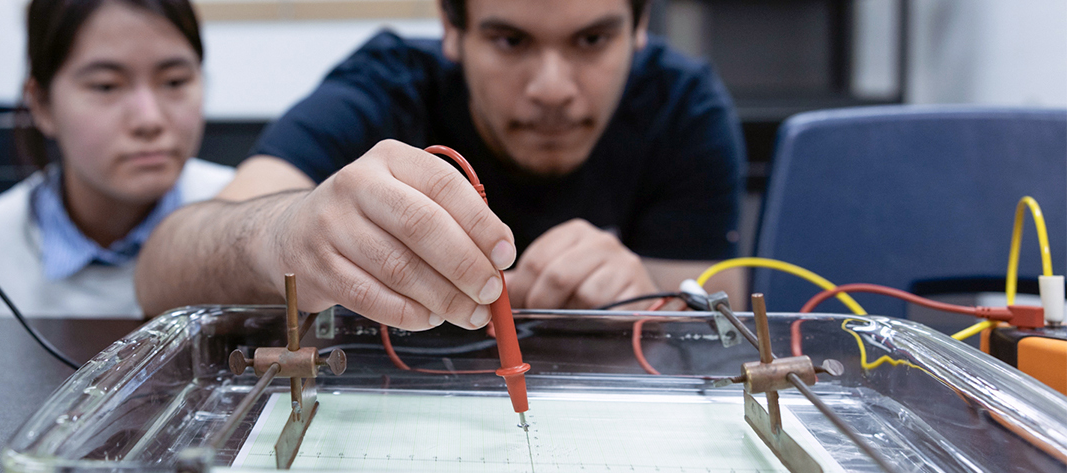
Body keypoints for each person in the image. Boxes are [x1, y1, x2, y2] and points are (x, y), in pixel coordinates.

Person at [136, 0, 744, 329]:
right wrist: (281, 235)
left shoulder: (681, 107)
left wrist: (650, 304)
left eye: (591, 40)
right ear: (452, 28)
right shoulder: (383, 88)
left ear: (639, 27)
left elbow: (715, 324)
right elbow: (163, 267)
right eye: (510, 41)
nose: (553, 89)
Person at [0, 0, 232, 318]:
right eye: (106, 86)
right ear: (42, 104)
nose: (149, 120)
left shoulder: (245, 224)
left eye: (175, 82)